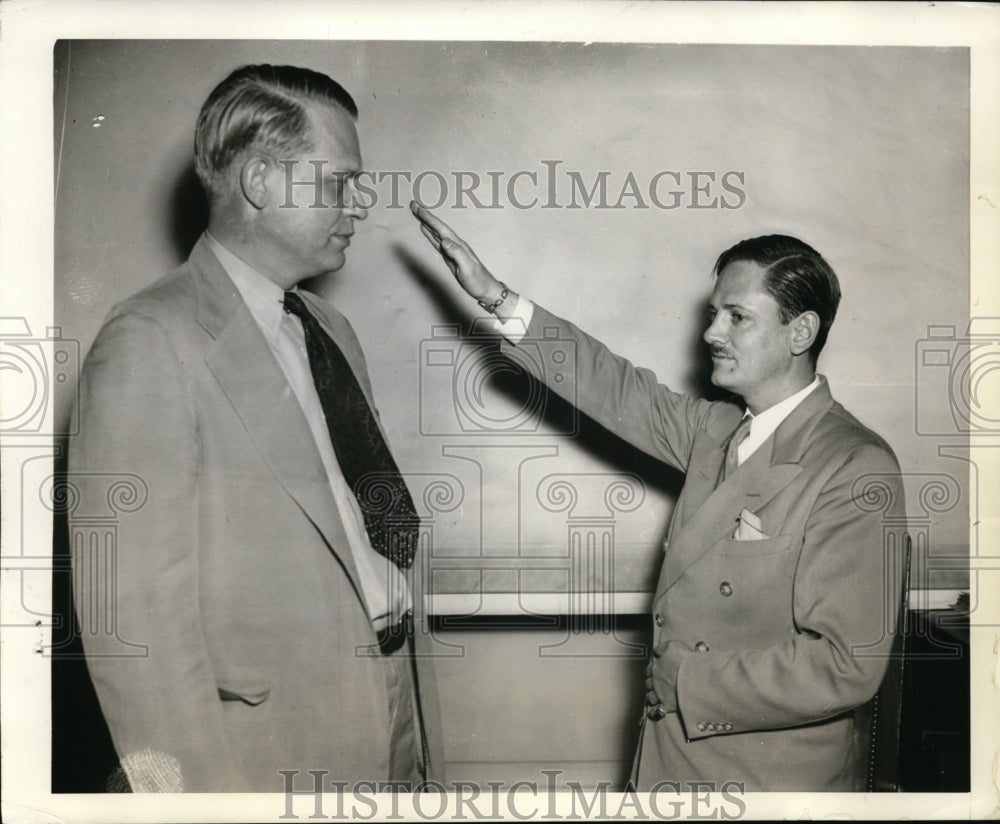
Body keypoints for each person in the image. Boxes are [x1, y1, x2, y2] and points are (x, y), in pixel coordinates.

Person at [410, 202, 905, 792]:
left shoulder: (852, 464)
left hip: (767, 782)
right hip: (675, 765)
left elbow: (848, 666)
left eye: (737, 317)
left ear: (801, 331)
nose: (710, 333)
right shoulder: (715, 429)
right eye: (714, 313)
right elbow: (611, 384)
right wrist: (496, 297)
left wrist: (683, 685)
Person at [69, 65, 442, 793]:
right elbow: (133, 627)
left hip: (392, 707)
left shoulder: (327, 327)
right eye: (340, 181)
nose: (360, 203)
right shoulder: (150, 337)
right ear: (262, 181)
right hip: (263, 755)